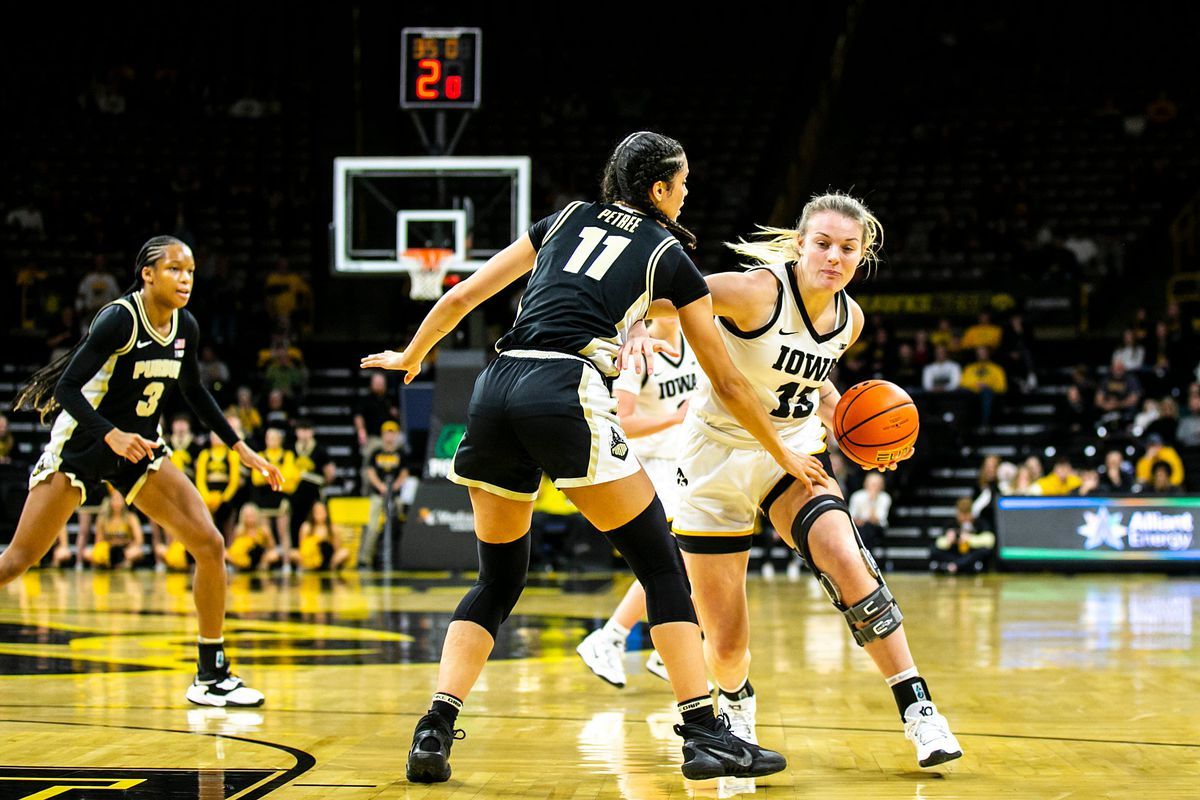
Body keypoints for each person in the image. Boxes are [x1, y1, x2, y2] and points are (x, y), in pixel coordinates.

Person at [363, 132, 818, 782]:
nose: (687, 193)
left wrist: (412, 355)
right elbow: (729, 382)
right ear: (659, 188)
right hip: (561, 390)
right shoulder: (668, 254)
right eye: (682, 182)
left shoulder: (565, 217)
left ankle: (435, 726)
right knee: (663, 564)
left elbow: (464, 296)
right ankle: (701, 732)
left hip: (496, 385)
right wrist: (785, 452)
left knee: (497, 581)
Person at [646, 191, 962, 768]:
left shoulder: (851, 318)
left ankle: (920, 710)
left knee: (847, 558)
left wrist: (848, 427)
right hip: (714, 459)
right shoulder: (755, 291)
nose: (834, 257)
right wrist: (639, 325)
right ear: (799, 245)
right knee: (726, 643)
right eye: (822, 244)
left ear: (863, 256)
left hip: (791, 453)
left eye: (848, 248)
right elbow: (663, 295)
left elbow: (810, 382)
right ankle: (736, 703)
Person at [6, 235, 280, 707]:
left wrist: (241, 448)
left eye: (190, 272)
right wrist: (109, 434)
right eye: (174, 270)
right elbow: (69, 388)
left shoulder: (184, 327)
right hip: (84, 444)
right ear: (147, 274)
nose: (185, 279)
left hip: (140, 449)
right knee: (19, 559)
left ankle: (211, 675)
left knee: (210, 544)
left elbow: (195, 391)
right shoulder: (118, 319)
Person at [575, 316, 700, 688]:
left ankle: (665, 652)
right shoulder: (637, 353)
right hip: (652, 465)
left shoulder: (694, 341)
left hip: (685, 461)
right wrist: (673, 419)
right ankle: (610, 637)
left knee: (689, 558)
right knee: (677, 557)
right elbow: (622, 420)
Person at [359, 421, 410, 569]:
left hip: (395, 495)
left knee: (397, 520)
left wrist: (395, 486)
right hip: (378, 494)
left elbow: (404, 473)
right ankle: (365, 559)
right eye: (387, 432)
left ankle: (398, 557)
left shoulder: (400, 454)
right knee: (373, 525)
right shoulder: (376, 453)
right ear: (382, 434)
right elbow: (370, 472)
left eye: (392, 432)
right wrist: (380, 486)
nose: (389, 435)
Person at [85, 489, 144, 569]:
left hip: (125, 549)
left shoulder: (131, 518)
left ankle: (121, 563)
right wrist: (101, 553)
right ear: (110, 501)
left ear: (124, 501)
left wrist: (129, 545)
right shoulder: (102, 519)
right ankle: (108, 562)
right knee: (87, 553)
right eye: (114, 499)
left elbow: (139, 540)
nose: (117, 503)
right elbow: (98, 541)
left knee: (136, 552)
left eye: (119, 500)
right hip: (109, 549)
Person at [848, 472, 891, 556]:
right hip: (859, 527)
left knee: (868, 528)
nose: (873, 486)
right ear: (865, 483)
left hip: (877, 528)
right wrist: (859, 521)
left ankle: (865, 555)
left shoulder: (885, 497)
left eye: (876, 484)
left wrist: (872, 501)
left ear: (881, 485)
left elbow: (876, 519)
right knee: (862, 529)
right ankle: (862, 555)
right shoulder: (857, 496)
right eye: (871, 483)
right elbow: (851, 516)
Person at [226, 503, 280, 571]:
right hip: (242, 559)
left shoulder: (264, 531)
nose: (249, 518)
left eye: (251, 515)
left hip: (259, 558)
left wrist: (265, 559)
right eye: (247, 515)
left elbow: (272, 548)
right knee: (225, 553)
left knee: (274, 555)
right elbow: (232, 548)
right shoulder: (238, 531)